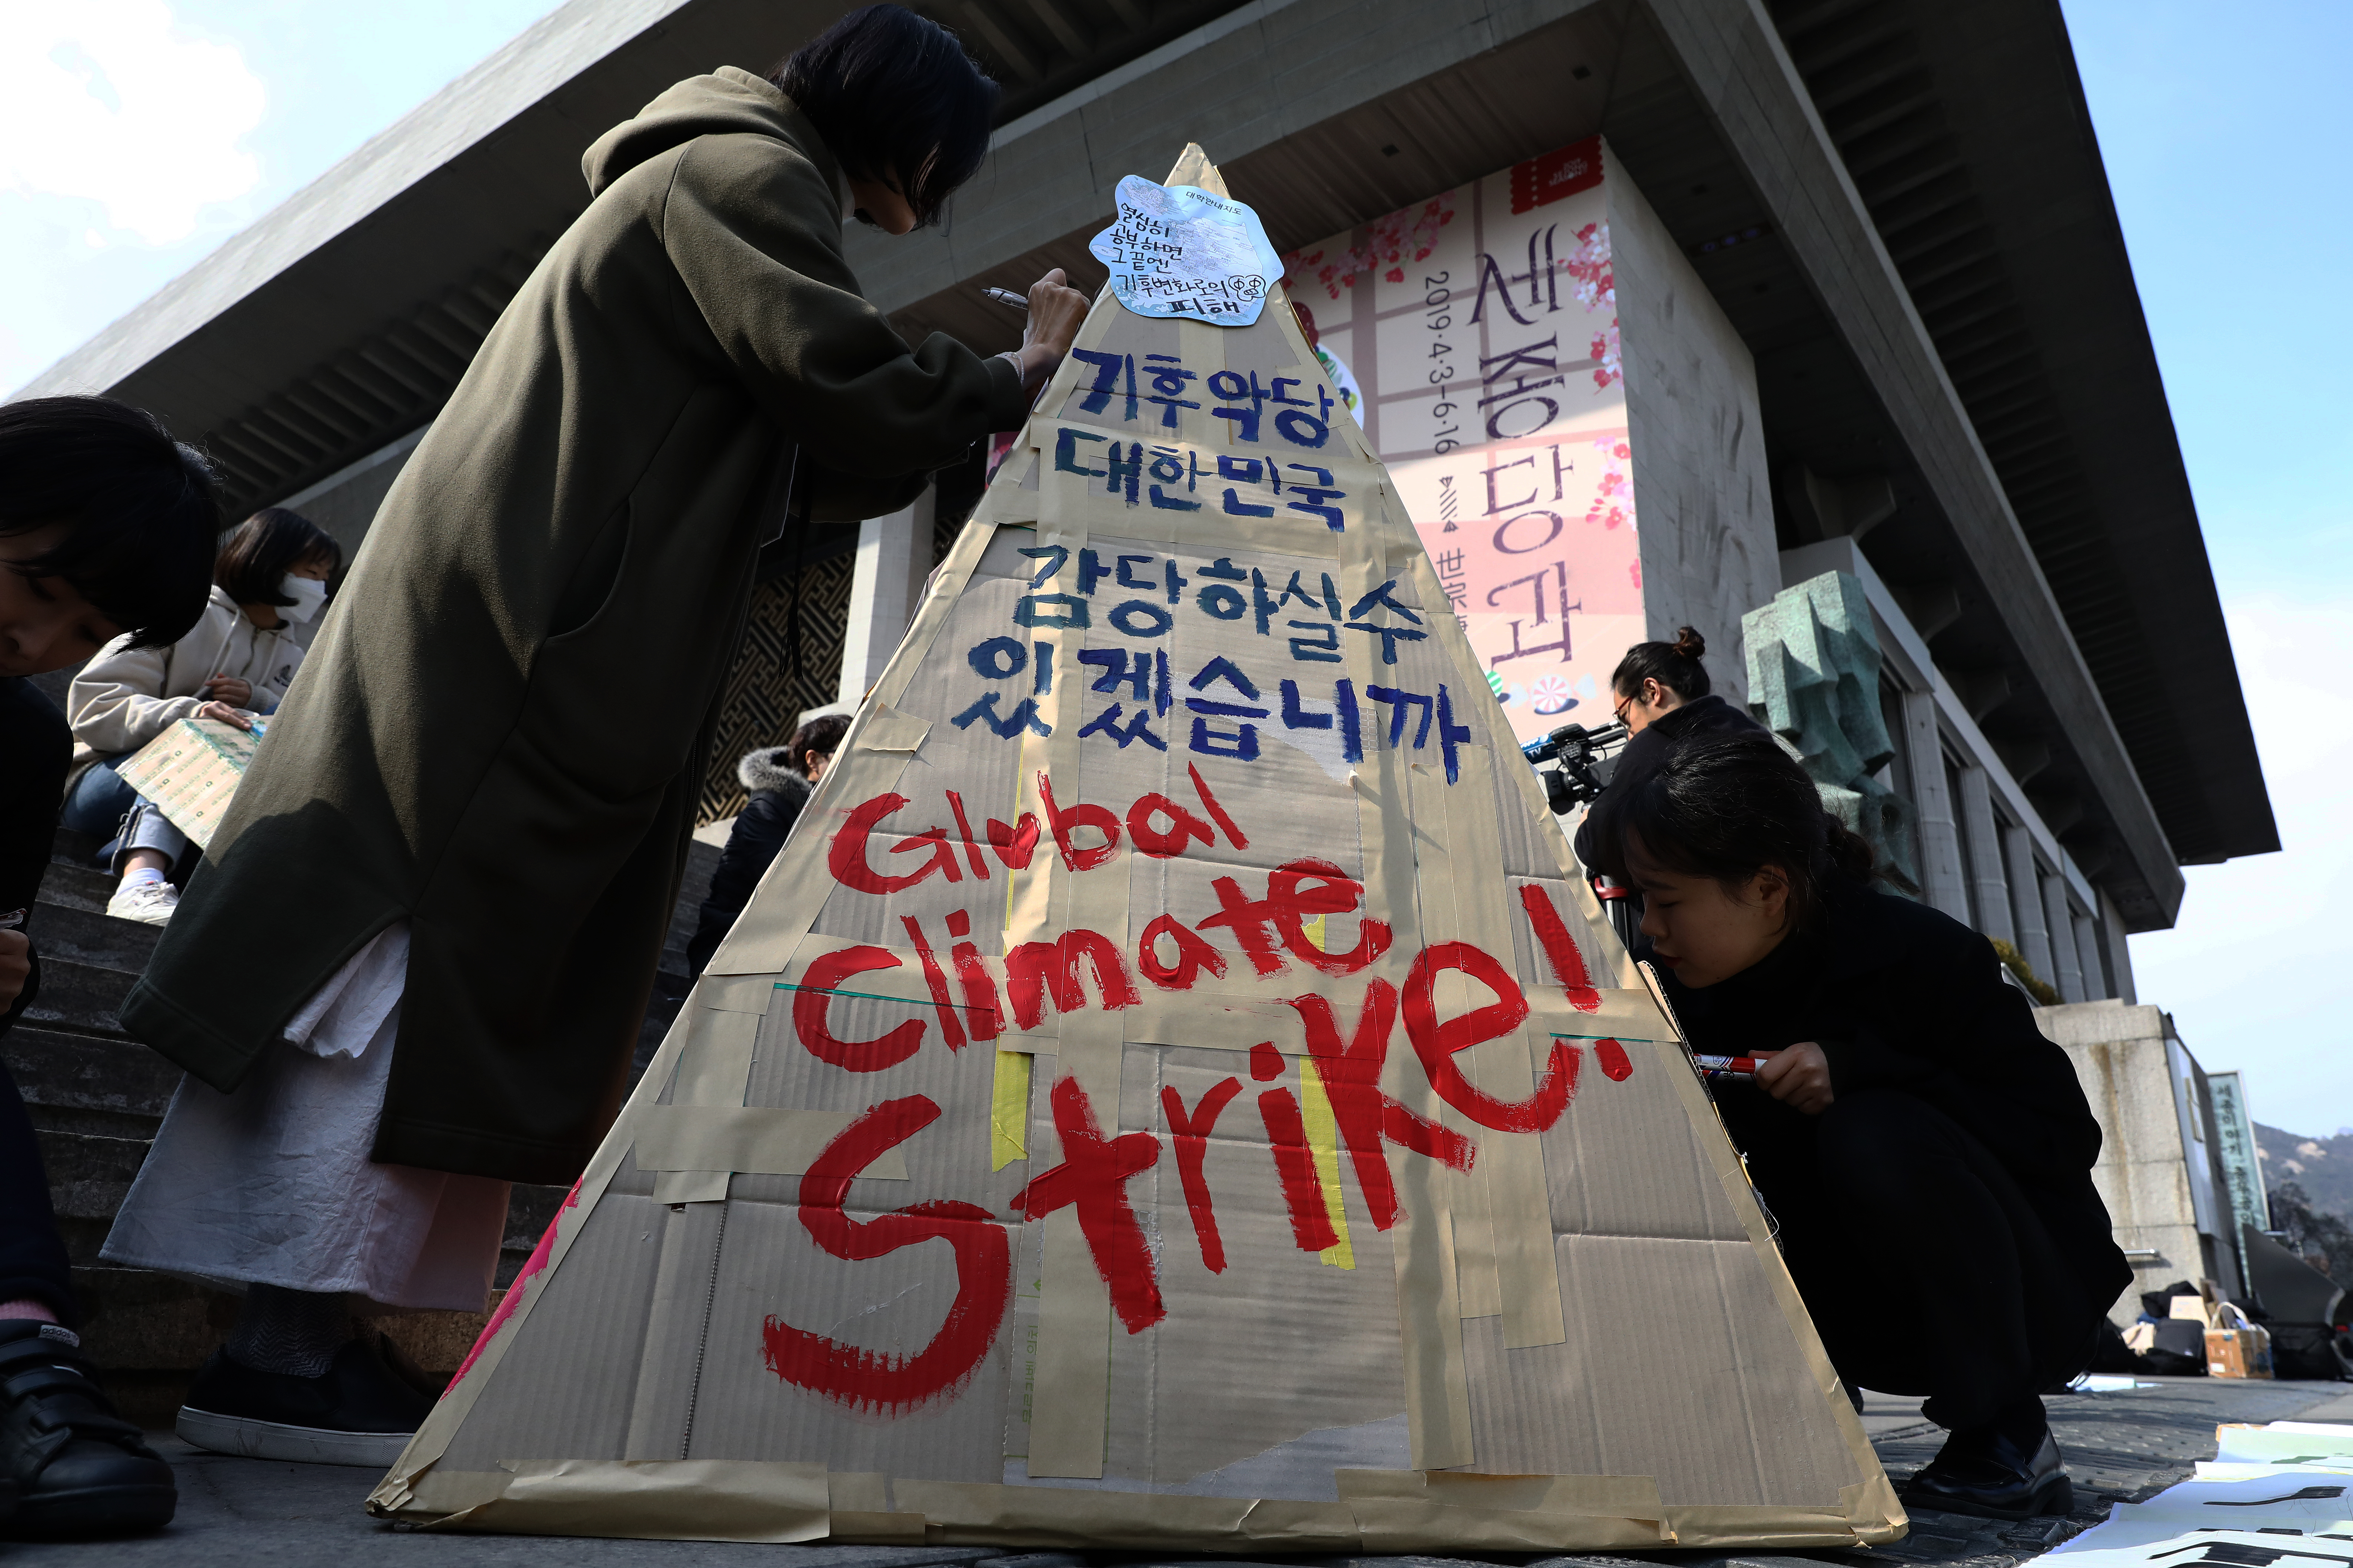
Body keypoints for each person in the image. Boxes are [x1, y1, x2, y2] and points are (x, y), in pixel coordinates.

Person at [110, 5, 1089, 1463]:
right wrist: (1010, 377)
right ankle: (287, 1341)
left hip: (523, 628)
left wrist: (949, 407)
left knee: (416, 977)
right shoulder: (745, 175)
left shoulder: (711, 172)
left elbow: (805, 450)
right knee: (411, 973)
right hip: (525, 643)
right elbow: (838, 385)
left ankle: (318, 1335)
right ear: (917, 134)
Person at [1591, 727, 2129, 1521]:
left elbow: (2057, 1136)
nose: (1653, 928)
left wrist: (1863, 1068)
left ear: (1768, 886)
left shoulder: (1919, 956)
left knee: (1870, 1131)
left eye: (1667, 901)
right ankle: (1790, 1412)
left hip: (2020, 1298)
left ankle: (2007, 1430)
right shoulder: (1681, 989)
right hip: (1851, 1299)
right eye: (1640, 903)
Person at [0, 394, 222, 1537]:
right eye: (36, 589)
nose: (38, 647)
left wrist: (16, 975)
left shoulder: (20, 743)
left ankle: (18, 1348)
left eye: (84, 633)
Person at [61, 507, 340, 924]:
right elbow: (95, 704)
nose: (320, 587)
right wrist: (189, 714)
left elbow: (299, 735)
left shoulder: (296, 658)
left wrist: (260, 699)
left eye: (325, 577)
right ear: (269, 559)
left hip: (214, 800)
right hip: (103, 780)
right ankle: (139, 882)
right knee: (197, 744)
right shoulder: (181, 616)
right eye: (312, 571)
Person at [685, 713, 848, 976]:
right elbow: (785, 886)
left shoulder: (833, 814)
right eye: (849, 757)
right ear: (814, 760)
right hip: (731, 949)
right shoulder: (766, 809)